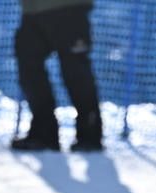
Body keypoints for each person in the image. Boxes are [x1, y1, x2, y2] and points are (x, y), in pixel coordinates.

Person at [12, 0, 104, 153]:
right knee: (28, 64)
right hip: (32, 10)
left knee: (75, 71)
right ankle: (44, 133)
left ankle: (90, 135)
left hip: (69, 8)